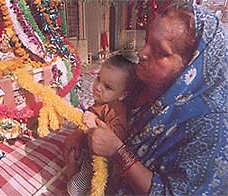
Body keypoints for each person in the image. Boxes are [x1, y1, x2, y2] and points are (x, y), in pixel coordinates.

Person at [64, 2, 228, 195]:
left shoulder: (211, 124)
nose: (142, 53)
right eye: (147, 41)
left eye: (160, 52)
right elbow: (106, 112)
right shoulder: (144, 84)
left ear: (191, 66)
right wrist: (81, 132)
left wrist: (118, 152)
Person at [64, 55, 140, 195]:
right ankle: (71, 180)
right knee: (69, 147)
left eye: (108, 87)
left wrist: (93, 125)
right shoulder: (102, 102)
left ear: (122, 94)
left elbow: (117, 136)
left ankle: (74, 189)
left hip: (100, 160)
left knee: (76, 188)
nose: (98, 87)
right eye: (98, 78)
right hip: (88, 149)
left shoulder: (116, 109)